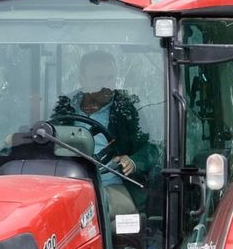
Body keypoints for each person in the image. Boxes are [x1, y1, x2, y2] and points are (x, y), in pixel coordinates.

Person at [50, 50, 158, 219]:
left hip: (111, 185)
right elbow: (48, 137)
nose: (107, 85)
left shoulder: (127, 110)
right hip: (66, 183)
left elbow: (152, 148)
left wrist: (132, 161)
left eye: (110, 78)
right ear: (82, 79)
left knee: (109, 213)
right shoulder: (66, 106)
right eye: (99, 79)